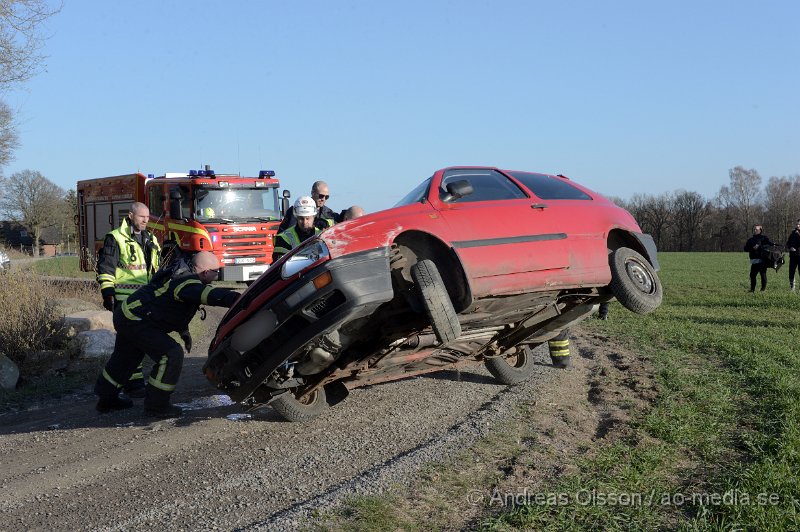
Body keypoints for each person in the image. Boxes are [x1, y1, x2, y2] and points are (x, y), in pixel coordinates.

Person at [94, 251, 240, 418]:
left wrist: (183, 331)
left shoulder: (182, 273)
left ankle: (106, 400)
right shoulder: (186, 282)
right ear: (206, 272)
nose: (217, 275)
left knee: (124, 358)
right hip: (136, 319)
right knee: (171, 354)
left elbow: (172, 307)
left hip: (128, 315)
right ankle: (157, 406)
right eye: (216, 272)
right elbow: (210, 295)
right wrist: (240, 298)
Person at [96, 202, 161, 396]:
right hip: (124, 301)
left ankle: (126, 384)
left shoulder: (152, 239)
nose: (145, 221)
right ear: (131, 216)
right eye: (142, 217)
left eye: (148, 217)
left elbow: (155, 271)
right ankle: (129, 385)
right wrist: (108, 293)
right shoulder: (115, 238)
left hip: (145, 301)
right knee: (129, 343)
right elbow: (106, 268)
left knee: (133, 343)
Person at [272, 196, 323, 262]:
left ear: (314, 217)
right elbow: (280, 264)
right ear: (296, 217)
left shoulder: (321, 235)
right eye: (301, 218)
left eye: (308, 218)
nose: (304, 222)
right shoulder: (284, 238)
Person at [744, 224, 774, 292]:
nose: (755, 231)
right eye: (754, 229)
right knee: (752, 275)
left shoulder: (764, 238)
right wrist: (752, 248)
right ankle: (752, 290)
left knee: (763, 275)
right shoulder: (750, 240)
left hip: (763, 260)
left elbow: (770, 245)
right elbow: (745, 248)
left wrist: (760, 246)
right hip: (754, 260)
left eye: (756, 229)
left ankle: (762, 290)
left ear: (760, 230)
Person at [787, 219, 800, 291]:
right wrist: (790, 247)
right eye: (797, 224)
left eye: (799, 224)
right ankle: (792, 288)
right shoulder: (793, 233)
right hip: (792, 256)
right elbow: (788, 243)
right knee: (791, 272)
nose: (797, 225)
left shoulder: (797, 233)